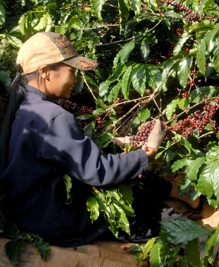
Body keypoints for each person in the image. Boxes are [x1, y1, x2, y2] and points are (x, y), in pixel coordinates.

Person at [0, 32, 200, 247]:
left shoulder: (24, 108)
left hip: (31, 214)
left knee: (132, 171)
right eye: (71, 72)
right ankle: (206, 240)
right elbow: (98, 172)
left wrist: (115, 142)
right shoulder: (53, 116)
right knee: (143, 200)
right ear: (46, 72)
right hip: (60, 223)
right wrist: (146, 154)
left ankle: (183, 197)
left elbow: (59, 150)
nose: (76, 80)